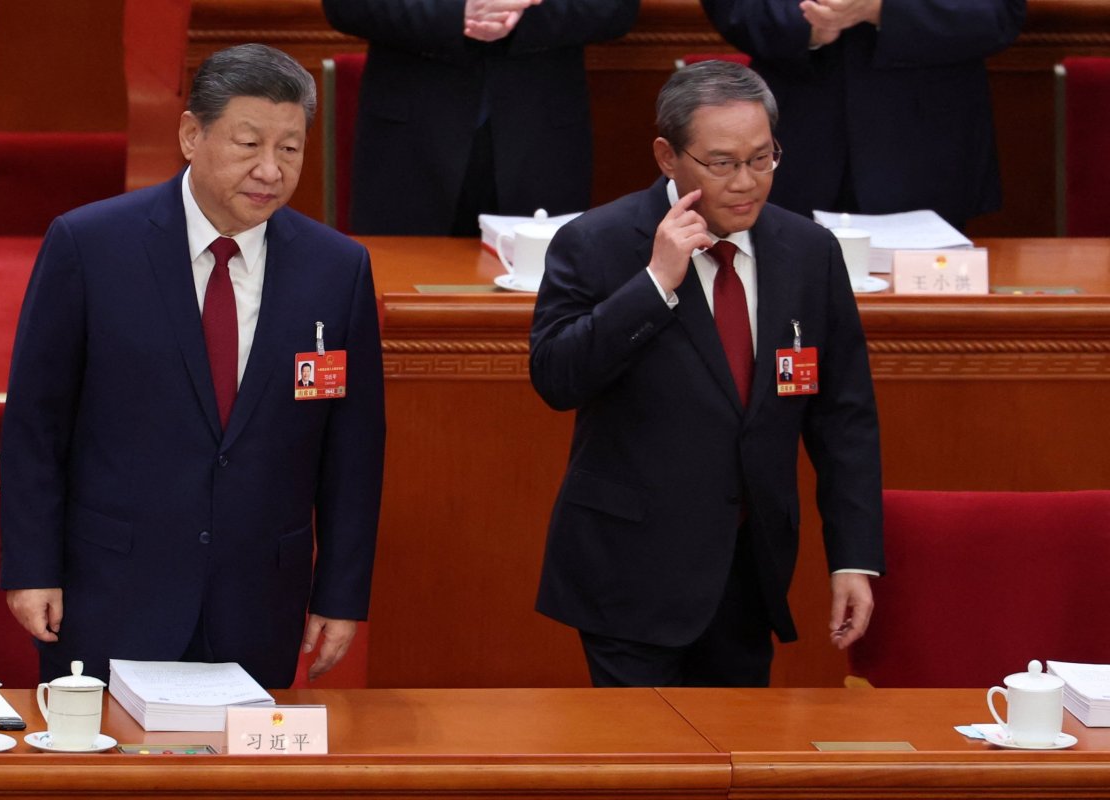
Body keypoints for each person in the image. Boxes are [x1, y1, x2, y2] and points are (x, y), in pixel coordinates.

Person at [0, 44, 386, 688]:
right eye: (248, 144)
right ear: (190, 134)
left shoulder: (336, 269)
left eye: (289, 149)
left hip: (259, 597)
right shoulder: (90, 246)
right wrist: (33, 566)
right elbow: (37, 424)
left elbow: (353, 449)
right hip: (113, 589)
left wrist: (340, 594)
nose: (269, 169)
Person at [530, 60, 884, 687]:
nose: (746, 183)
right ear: (668, 156)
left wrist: (852, 558)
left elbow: (844, 419)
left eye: (762, 158)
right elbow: (557, 378)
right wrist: (655, 282)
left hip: (749, 577)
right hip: (629, 575)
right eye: (721, 163)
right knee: (648, 776)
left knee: (734, 770)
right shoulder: (597, 242)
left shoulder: (809, 253)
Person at [701, 0, 1027, 230]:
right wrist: (807, 24)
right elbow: (734, 6)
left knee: (921, 318)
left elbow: (997, 13)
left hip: (926, 150)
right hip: (795, 144)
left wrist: (882, 8)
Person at [320, 0, 639, 236]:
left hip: (540, 133)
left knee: (540, 306)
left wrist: (512, 15)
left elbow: (615, 7)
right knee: (401, 299)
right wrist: (454, 12)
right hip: (410, 141)